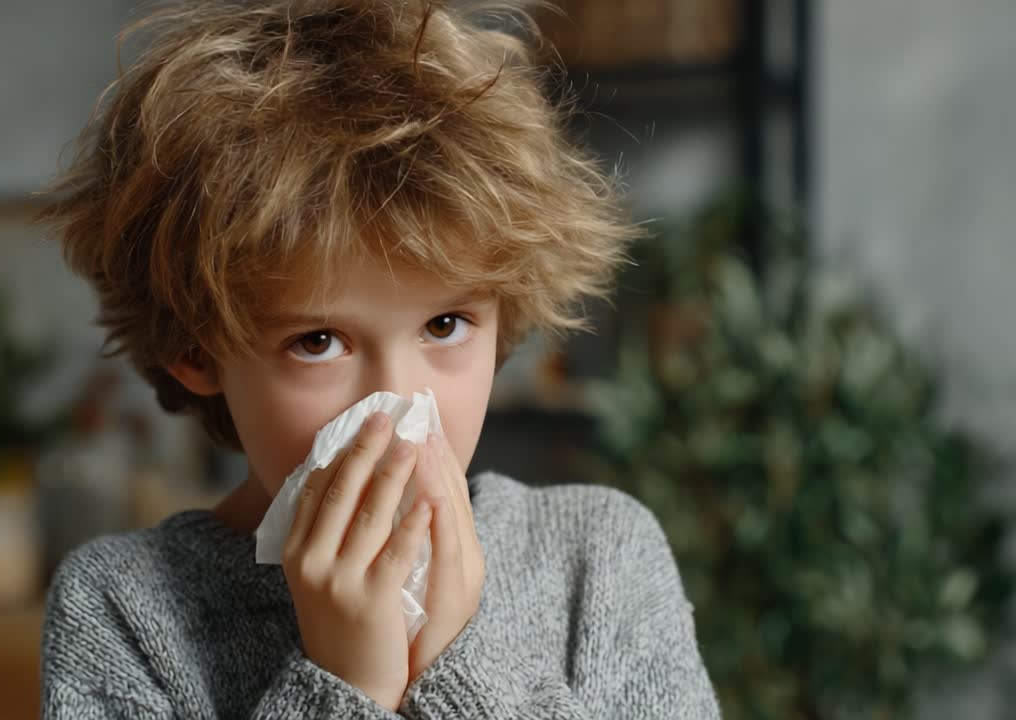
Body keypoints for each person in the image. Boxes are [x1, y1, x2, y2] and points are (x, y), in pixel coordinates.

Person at [37, 0, 721, 717]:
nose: (397, 411)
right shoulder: (121, 606)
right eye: (318, 342)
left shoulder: (599, 557)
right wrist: (347, 686)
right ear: (193, 347)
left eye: (446, 324)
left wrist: (456, 662)